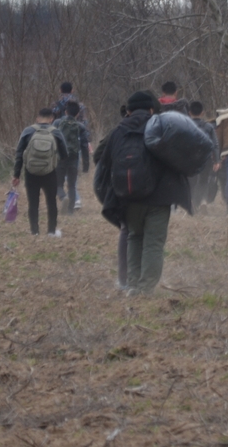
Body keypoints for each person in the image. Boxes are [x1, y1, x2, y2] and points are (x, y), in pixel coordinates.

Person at [96, 90, 191, 295]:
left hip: (128, 196)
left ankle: (132, 285)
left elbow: (101, 160)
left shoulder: (117, 132)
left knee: (134, 237)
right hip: (159, 197)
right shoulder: (161, 127)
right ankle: (146, 287)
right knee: (153, 243)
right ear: (151, 109)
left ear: (128, 112)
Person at [12, 108, 70, 237]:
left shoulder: (28, 131)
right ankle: (51, 231)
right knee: (51, 202)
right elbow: (65, 154)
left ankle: (34, 232)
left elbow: (19, 153)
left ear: (37, 118)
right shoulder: (56, 132)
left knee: (33, 203)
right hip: (50, 172)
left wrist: (16, 174)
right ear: (51, 119)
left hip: (30, 172)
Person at [93, 104, 131, 289]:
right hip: (144, 189)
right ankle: (140, 279)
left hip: (120, 187)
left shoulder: (115, 132)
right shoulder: (151, 127)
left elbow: (97, 156)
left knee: (126, 229)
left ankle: (124, 280)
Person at [53, 100, 90, 214]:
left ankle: (63, 198)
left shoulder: (57, 123)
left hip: (60, 157)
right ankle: (70, 212)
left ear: (65, 111)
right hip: (74, 157)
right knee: (72, 185)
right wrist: (86, 164)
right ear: (77, 114)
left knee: (58, 184)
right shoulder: (80, 126)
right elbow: (84, 146)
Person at [187, 101, 220, 209]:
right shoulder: (209, 127)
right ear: (203, 113)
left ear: (189, 112)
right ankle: (202, 202)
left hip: (190, 159)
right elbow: (215, 144)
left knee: (191, 181)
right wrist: (217, 160)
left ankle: (192, 201)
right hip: (206, 158)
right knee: (203, 180)